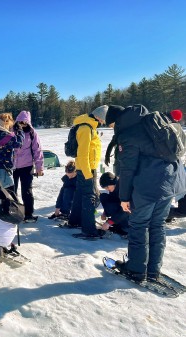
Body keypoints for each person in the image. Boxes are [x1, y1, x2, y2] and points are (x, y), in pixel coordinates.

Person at [105, 104, 186, 282]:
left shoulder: (128, 135)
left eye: (110, 125)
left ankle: (136, 270)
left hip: (146, 187)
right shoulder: (154, 124)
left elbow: (127, 170)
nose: (111, 129)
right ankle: (153, 270)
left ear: (116, 121)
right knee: (158, 226)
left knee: (139, 226)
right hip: (169, 184)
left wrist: (124, 197)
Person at [68, 105, 108, 239]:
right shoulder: (86, 128)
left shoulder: (90, 126)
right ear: (97, 116)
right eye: (103, 119)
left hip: (85, 168)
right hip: (86, 169)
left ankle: (75, 221)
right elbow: (83, 153)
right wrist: (88, 174)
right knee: (89, 198)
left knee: (80, 195)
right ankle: (89, 230)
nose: (103, 122)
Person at [12, 110, 43, 222]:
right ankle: (12, 212)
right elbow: (3, 145)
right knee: (12, 191)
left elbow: (37, 150)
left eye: (25, 123)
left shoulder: (32, 133)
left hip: (27, 166)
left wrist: (39, 167)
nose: (22, 125)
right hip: (12, 167)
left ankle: (28, 214)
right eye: (20, 122)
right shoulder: (11, 131)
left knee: (27, 191)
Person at [98, 172, 128, 237]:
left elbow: (126, 211)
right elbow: (113, 200)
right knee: (104, 197)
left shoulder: (123, 188)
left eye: (107, 187)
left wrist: (109, 222)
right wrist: (105, 213)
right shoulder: (114, 187)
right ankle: (117, 223)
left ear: (111, 183)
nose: (107, 189)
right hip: (120, 210)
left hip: (130, 215)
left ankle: (125, 228)